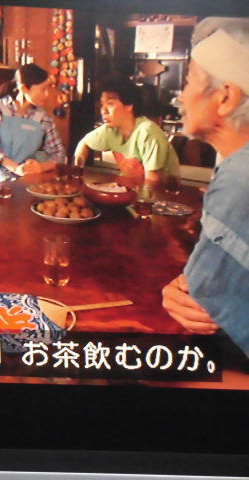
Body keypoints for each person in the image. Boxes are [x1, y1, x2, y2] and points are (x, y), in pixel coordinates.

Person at [161, 17, 249, 357]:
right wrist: (192, 285)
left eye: (188, 81)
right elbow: (201, 293)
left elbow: (206, 308)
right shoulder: (232, 163)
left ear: (226, 97)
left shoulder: (239, 180)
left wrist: (198, 290)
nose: (181, 96)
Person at [74, 73, 180, 184]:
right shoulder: (110, 130)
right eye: (102, 104)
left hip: (162, 191)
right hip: (132, 188)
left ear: (129, 105)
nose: (103, 111)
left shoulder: (147, 132)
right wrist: (77, 172)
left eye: (110, 104)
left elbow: (152, 182)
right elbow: (84, 143)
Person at [0, 63, 66, 185]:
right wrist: (16, 169)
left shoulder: (43, 118)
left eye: (48, 89)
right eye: (43, 89)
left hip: (26, 180)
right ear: (24, 88)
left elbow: (59, 153)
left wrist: (40, 167)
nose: (47, 94)